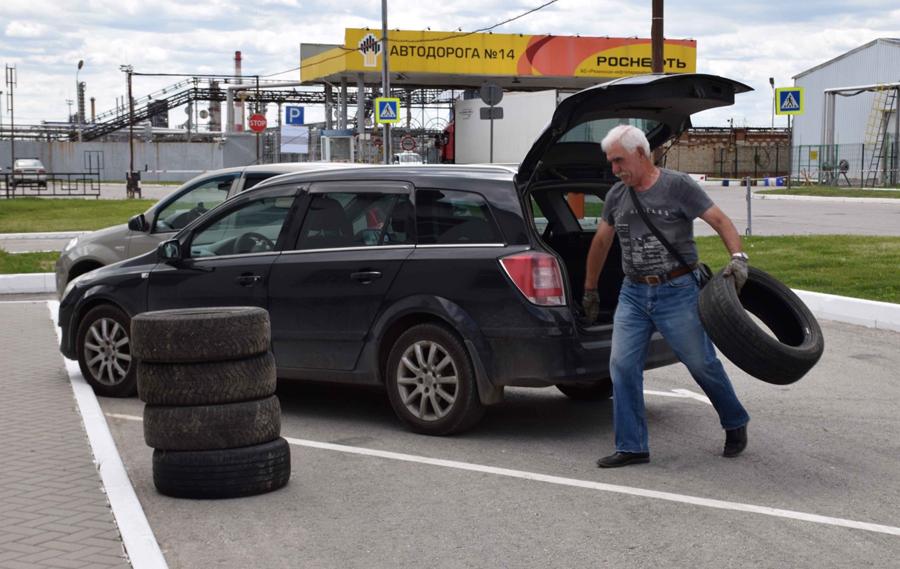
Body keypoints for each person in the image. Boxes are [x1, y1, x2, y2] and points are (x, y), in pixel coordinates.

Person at [582, 124, 750, 468]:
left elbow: (719, 220)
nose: (614, 169)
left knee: (700, 361)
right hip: (633, 293)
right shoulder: (617, 195)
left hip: (677, 289)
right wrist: (590, 288)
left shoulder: (678, 186)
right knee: (622, 366)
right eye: (611, 162)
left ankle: (734, 421)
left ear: (641, 154)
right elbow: (601, 243)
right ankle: (632, 446)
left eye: (619, 160)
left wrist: (738, 259)